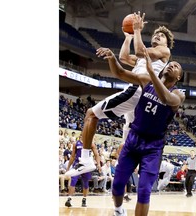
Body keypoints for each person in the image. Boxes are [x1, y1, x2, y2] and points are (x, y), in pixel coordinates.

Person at [68, 11, 175, 177]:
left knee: (91, 115)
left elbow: (140, 51)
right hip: (142, 97)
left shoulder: (163, 51)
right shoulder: (145, 56)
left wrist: (137, 30)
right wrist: (128, 37)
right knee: (129, 145)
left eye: (162, 35)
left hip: (138, 89)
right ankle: (157, 167)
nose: (158, 36)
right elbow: (124, 57)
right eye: (156, 34)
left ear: (167, 42)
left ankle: (86, 160)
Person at [95, 47, 185, 216]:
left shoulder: (178, 94)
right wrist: (112, 59)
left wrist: (151, 72)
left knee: (144, 191)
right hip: (133, 139)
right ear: (164, 68)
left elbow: (166, 98)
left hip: (153, 147)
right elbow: (120, 73)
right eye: (170, 64)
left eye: (176, 66)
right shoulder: (146, 80)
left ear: (178, 77)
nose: (172, 65)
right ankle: (118, 210)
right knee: (118, 185)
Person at [64, 136, 101, 207]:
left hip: (86, 166)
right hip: (77, 165)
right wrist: (68, 167)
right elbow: (72, 156)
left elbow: (96, 154)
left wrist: (99, 164)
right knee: (73, 180)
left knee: (86, 183)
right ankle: (69, 199)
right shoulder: (76, 143)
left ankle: (84, 199)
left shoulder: (91, 144)